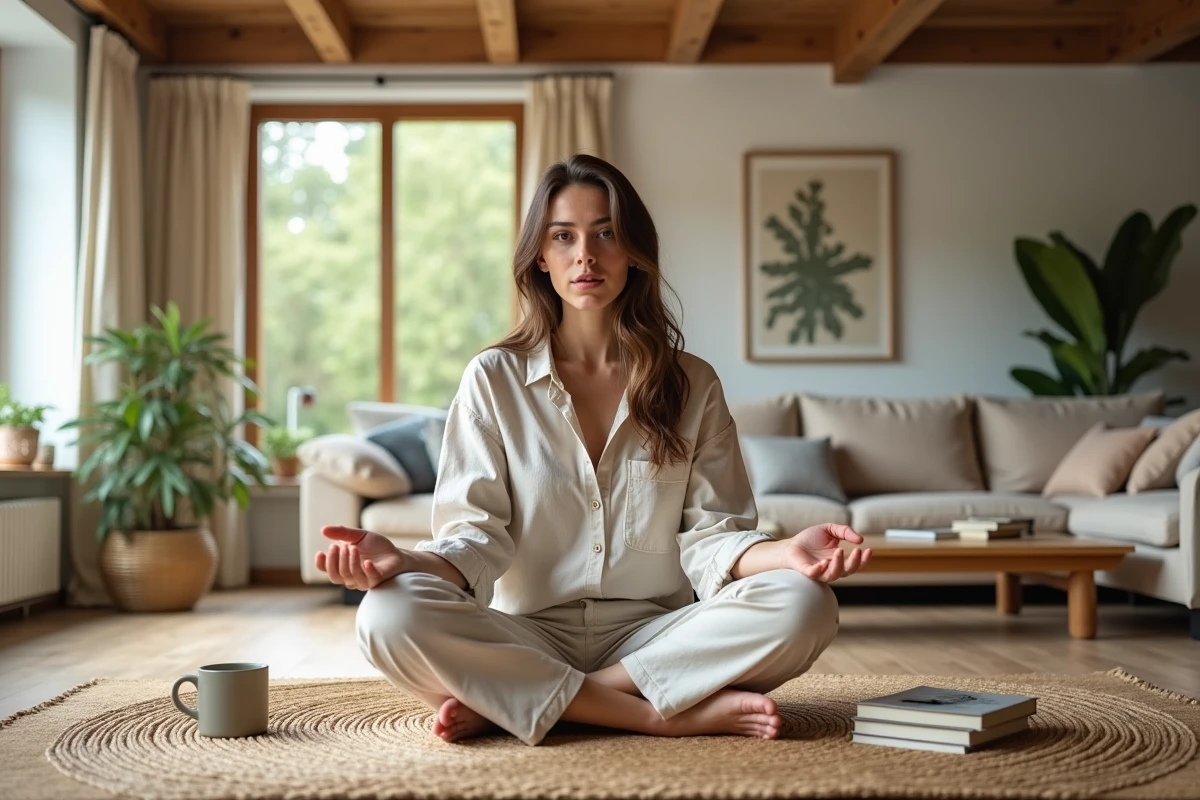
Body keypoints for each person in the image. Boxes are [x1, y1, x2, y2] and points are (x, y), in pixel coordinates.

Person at [315, 153, 872, 747]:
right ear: (541, 258)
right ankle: (652, 713)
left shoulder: (693, 384)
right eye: (564, 236)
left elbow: (713, 538)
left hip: (656, 636)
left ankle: (528, 699)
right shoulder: (493, 379)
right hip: (526, 633)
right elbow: (474, 540)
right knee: (385, 613)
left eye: (606, 233)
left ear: (633, 250)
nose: (586, 254)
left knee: (806, 604)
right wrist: (402, 561)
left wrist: (789, 553)